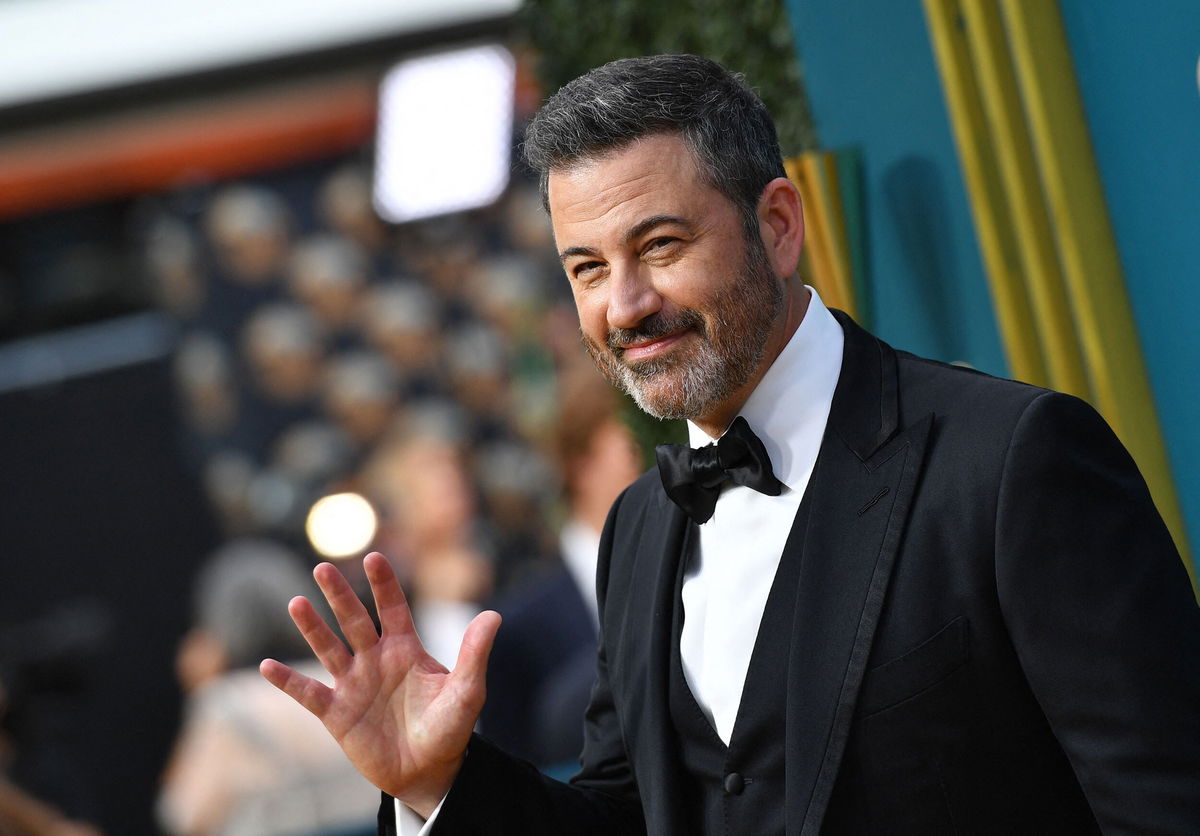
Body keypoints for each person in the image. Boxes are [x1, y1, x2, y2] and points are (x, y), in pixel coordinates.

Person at [260, 54, 1200, 834]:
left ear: (778, 227)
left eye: (660, 246)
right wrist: (440, 785)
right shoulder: (637, 529)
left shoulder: (1008, 463)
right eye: (587, 268)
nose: (624, 305)